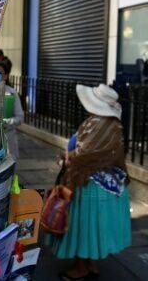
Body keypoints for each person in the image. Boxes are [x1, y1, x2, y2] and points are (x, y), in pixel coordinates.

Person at [47, 84, 131, 281]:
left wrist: (65, 158)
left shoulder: (97, 125)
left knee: (82, 226)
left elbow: (84, 155)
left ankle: (81, 268)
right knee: (95, 227)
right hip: (109, 185)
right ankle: (91, 264)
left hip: (89, 185)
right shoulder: (113, 125)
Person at [0, 61, 24, 160]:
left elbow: (20, 117)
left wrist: (6, 122)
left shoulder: (12, 93)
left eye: (0, 74)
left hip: (8, 139)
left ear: (5, 76)